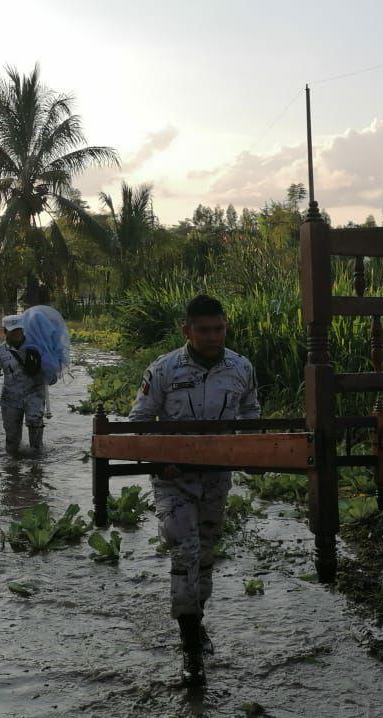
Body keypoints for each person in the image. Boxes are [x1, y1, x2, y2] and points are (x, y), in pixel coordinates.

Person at [129, 294, 261, 687]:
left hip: (216, 479)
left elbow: (251, 414)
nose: (212, 336)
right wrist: (160, 457)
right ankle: (190, 652)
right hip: (173, 481)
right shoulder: (164, 370)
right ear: (186, 330)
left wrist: (245, 448)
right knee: (185, 554)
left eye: (219, 329)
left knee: (205, 557)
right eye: (204, 330)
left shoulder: (241, 368)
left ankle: (195, 620)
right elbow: (140, 421)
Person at [0, 315, 47, 454]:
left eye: (19, 330)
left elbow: (50, 368)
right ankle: (12, 469)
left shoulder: (36, 346)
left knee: (35, 424)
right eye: (13, 331)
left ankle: (37, 465)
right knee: (12, 439)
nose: (17, 334)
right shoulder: (0, 352)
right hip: (11, 397)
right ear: (5, 332)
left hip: (35, 393)